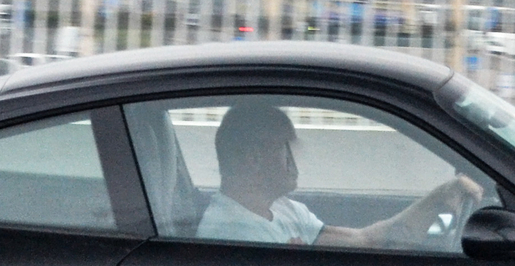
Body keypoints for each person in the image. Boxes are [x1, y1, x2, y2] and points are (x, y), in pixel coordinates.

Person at [196, 99, 482, 249]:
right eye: (285, 150)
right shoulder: (230, 232)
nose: (294, 162)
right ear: (254, 159)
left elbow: (365, 241)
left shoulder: (283, 210)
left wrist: (440, 197)